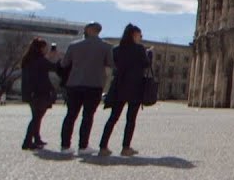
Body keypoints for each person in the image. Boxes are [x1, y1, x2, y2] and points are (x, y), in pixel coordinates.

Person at [59, 21, 114, 155]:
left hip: (74, 84)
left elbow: (64, 63)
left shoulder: (74, 45)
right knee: (88, 116)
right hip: (94, 84)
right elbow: (110, 63)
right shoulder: (106, 46)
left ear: (88, 30)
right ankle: (83, 146)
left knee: (70, 115)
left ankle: (65, 146)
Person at [98, 23, 151, 157]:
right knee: (130, 119)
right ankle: (125, 148)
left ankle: (103, 147)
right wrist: (149, 53)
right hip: (135, 86)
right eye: (140, 35)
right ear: (134, 35)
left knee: (113, 118)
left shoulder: (116, 49)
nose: (141, 37)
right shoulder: (139, 49)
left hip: (119, 85)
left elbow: (112, 63)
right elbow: (146, 64)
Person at [19, 37, 58, 150]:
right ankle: (27, 141)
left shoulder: (28, 60)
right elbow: (54, 68)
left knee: (36, 116)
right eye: (45, 47)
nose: (46, 49)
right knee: (37, 117)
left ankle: (36, 138)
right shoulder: (40, 60)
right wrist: (53, 58)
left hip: (30, 92)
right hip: (40, 92)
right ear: (40, 48)